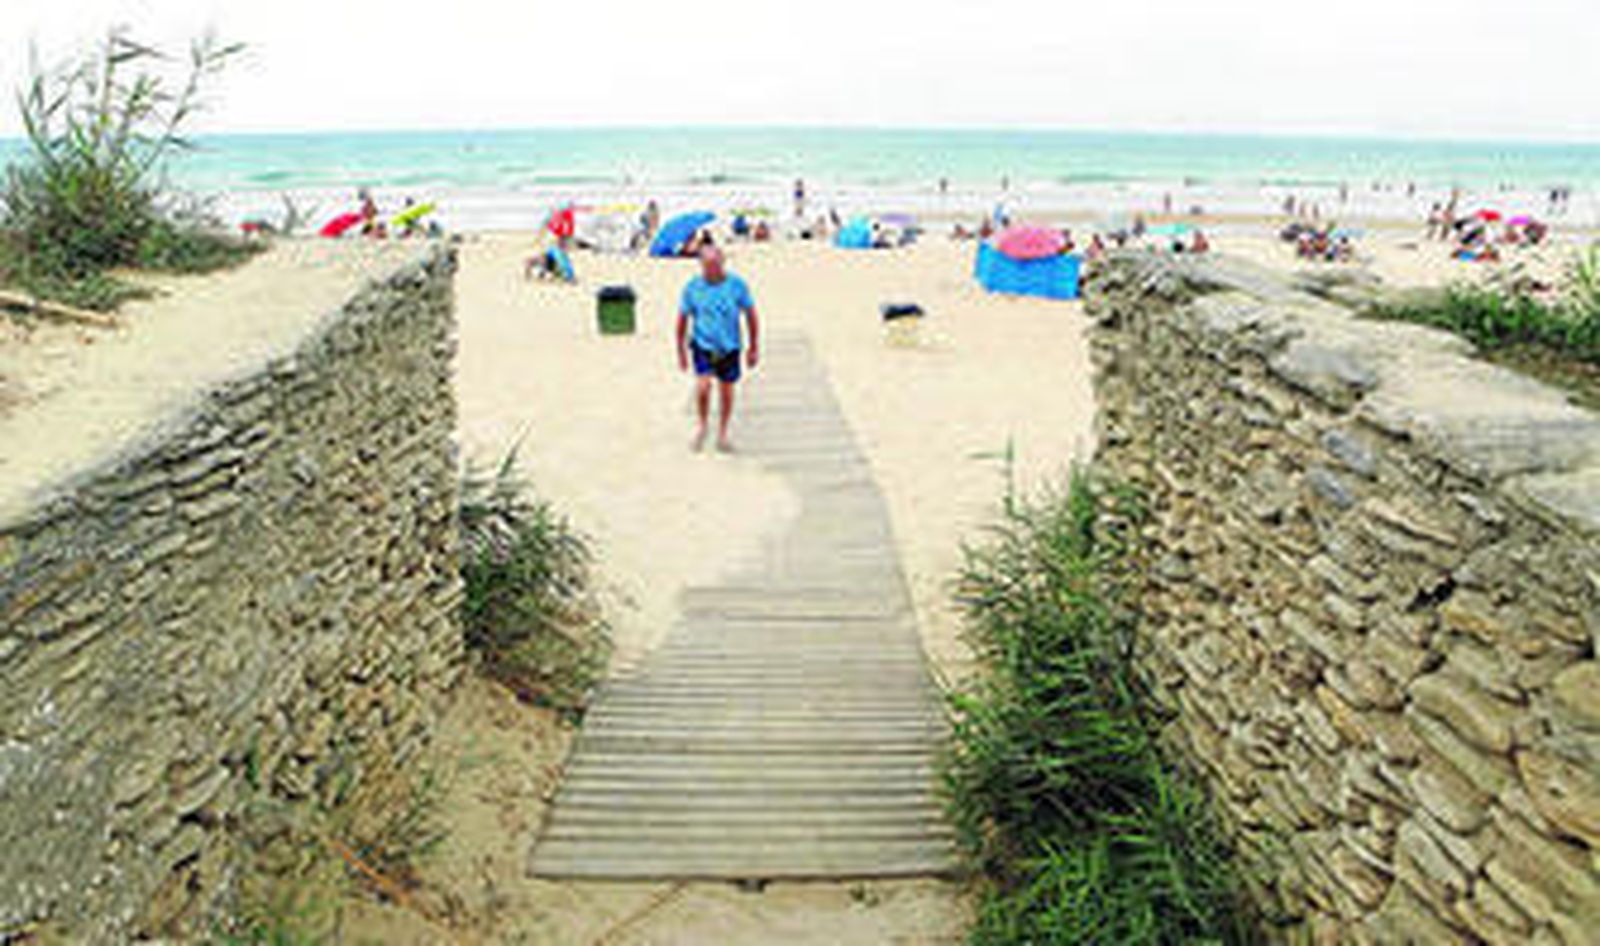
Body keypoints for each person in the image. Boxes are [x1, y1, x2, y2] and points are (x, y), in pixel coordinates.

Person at [677, 246, 760, 453]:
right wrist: (681, 351)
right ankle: (703, 426)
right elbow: (681, 320)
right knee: (703, 387)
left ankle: (723, 432)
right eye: (706, 266)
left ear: (723, 263)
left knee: (726, 391)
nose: (710, 271)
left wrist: (753, 347)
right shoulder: (692, 287)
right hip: (702, 345)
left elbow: (751, 316)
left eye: (714, 265)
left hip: (730, 347)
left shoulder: (737, 285)